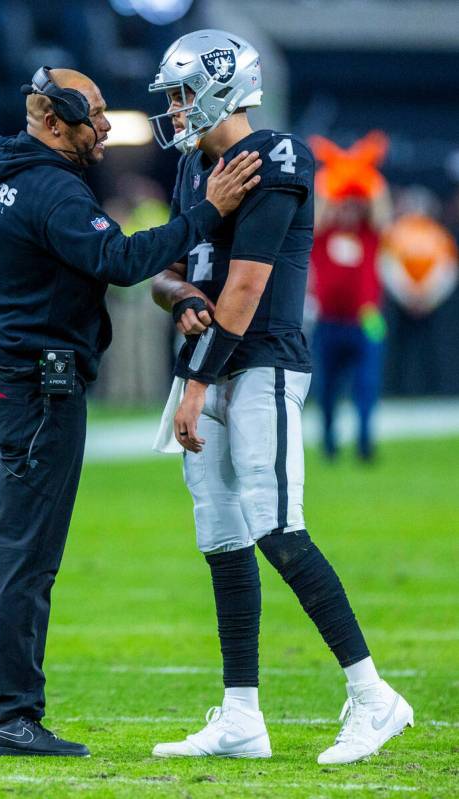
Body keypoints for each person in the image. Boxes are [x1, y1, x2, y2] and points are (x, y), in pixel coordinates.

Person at [0, 65, 260, 758]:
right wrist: (207, 211)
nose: (107, 126)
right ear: (53, 122)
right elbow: (118, 258)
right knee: (26, 558)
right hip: (35, 389)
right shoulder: (53, 189)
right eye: (94, 116)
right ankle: (9, 715)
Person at [149, 30, 413, 764]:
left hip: (258, 361)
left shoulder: (279, 157)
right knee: (221, 534)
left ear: (219, 86)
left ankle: (372, 695)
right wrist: (178, 302)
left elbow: (247, 284)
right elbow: (169, 269)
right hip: (205, 360)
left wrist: (196, 381)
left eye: (179, 92)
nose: (173, 109)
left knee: (276, 525)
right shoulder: (192, 167)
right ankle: (240, 714)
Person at [309, 132, 392, 461]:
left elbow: (381, 208)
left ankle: (365, 442)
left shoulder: (369, 233)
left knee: (367, 384)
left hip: (366, 319)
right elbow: (319, 210)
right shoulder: (323, 231)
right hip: (328, 320)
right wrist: (336, 177)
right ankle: (329, 441)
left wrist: (364, 174)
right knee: (327, 388)